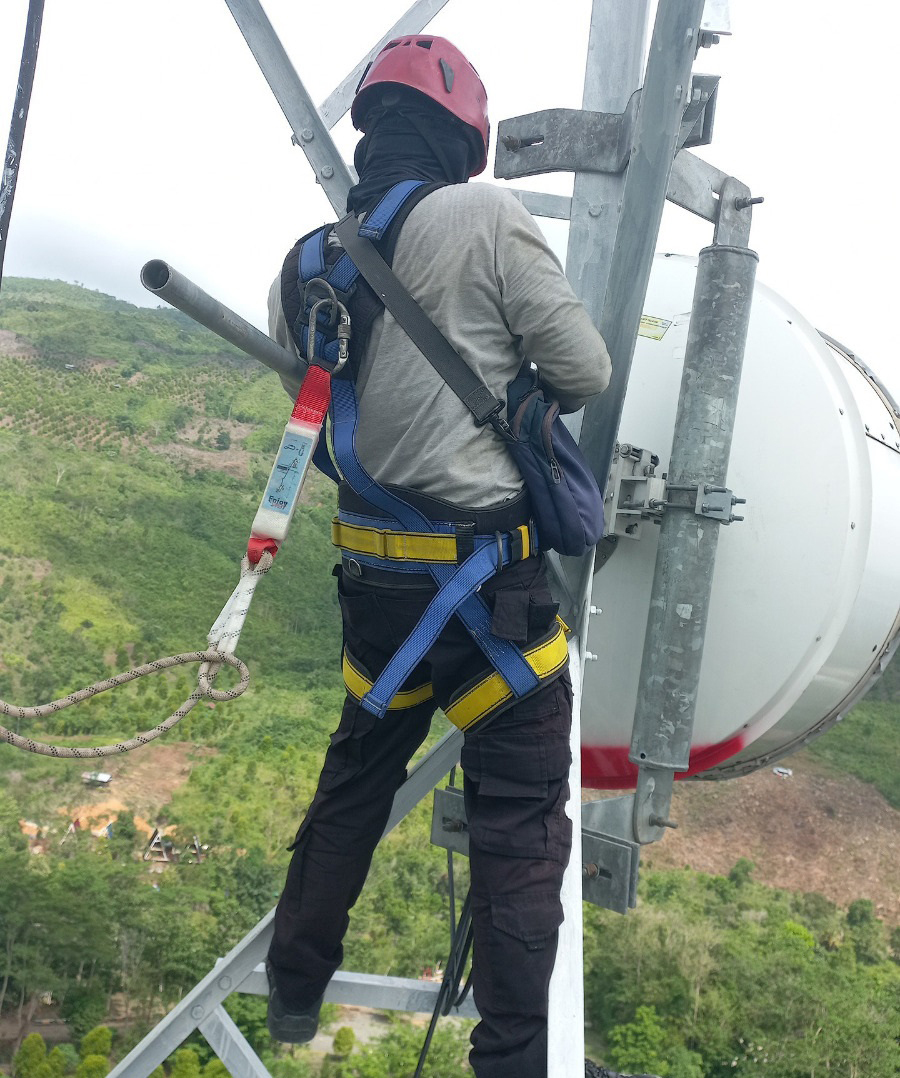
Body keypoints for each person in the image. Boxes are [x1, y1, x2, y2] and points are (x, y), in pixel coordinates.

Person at [265, 34, 611, 1078]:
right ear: (465, 138)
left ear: (372, 131)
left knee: (355, 778)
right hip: (492, 593)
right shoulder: (484, 215)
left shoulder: (305, 263)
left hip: (376, 589)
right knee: (519, 824)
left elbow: (314, 399)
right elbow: (584, 371)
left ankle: (293, 989)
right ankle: (510, 1060)